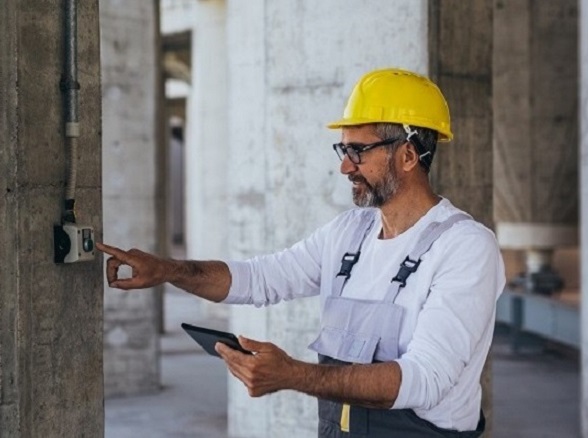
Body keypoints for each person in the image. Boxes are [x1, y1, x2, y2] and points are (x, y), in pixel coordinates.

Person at [97, 68, 505, 438]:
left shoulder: (465, 246)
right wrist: (167, 270)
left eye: (358, 151)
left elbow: (424, 379)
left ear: (408, 154)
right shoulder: (350, 233)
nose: (346, 168)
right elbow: (259, 279)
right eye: (342, 151)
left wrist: (291, 374)